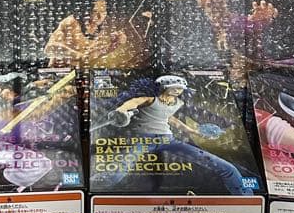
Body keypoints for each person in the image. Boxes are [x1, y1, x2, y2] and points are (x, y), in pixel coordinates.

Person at [103, 74, 247, 193]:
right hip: (144, 140)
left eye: (180, 88)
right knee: (119, 169)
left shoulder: (178, 103)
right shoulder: (151, 100)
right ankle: (99, 186)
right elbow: (134, 101)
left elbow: (171, 119)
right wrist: (121, 110)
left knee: (226, 168)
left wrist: (193, 131)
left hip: (168, 139)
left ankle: (244, 196)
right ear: (165, 87)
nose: (178, 90)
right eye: (175, 87)